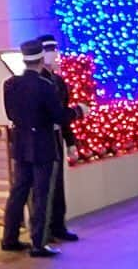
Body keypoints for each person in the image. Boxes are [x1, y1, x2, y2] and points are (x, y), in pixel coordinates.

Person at [0, 39, 89, 259]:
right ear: (41, 59)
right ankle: (38, 243)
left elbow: (11, 115)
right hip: (42, 144)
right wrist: (78, 111)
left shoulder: (10, 84)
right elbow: (58, 116)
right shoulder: (46, 86)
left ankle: (9, 238)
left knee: (18, 192)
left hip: (21, 144)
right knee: (42, 194)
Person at [39, 34, 80, 243]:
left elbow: (63, 114)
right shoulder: (36, 82)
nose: (54, 55)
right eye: (49, 51)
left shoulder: (59, 82)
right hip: (42, 138)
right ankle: (44, 230)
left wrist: (70, 141)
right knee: (45, 186)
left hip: (56, 137)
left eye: (55, 51)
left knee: (58, 184)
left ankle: (58, 225)